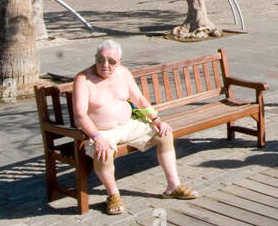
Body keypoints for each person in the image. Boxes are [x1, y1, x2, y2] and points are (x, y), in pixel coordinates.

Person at [72, 39, 199, 216]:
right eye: (100, 60)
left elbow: (138, 99)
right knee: (104, 152)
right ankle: (113, 195)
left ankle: (173, 186)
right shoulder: (83, 79)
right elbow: (79, 115)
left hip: (129, 125)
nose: (105, 65)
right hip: (101, 132)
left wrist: (156, 119)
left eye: (111, 61)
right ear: (95, 59)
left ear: (120, 61)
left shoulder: (123, 73)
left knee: (164, 134)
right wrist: (97, 138)